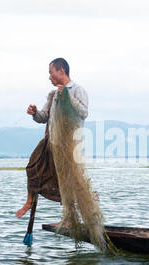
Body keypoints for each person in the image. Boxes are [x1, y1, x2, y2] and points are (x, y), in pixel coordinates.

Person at [16, 57, 90, 219]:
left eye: (51, 72)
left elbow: (83, 112)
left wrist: (67, 97)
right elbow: (43, 117)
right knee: (33, 168)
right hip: (50, 141)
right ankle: (29, 201)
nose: (49, 77)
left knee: (66, 180)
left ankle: (70, 219)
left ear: (61, 71)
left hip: (68, 144)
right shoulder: (52, 95)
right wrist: (35, 112)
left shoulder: (77, 90)